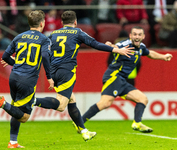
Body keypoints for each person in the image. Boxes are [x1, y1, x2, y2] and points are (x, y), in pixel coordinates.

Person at [33, 10, 134, 137]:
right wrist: (115, 50)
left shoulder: (53, 34)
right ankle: (32, 100)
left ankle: (84, 131)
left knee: (71, 99)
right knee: (61, 105)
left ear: (62, 22)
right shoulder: (77, 32)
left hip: (54, 71)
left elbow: (41, 51)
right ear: (75, 22)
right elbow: (95, 44)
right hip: (66, 71)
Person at [77, 26, 172, 133]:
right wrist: (111, 46)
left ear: (143, 36)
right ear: (130, 36)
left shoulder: (141, 47)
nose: (137, 37)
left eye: (139, 35)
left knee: (142, 99)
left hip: (122, 80)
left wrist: (163, 57)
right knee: (105, 103)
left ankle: (137, 123)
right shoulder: (124, 45)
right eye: (134, 34)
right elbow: (115, 47)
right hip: (113, 77)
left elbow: (150, 53)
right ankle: (79, 123)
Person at [0, 10, 61, 148]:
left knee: (16, 107)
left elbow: (4, 57)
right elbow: (45, 57)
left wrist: (16, 63)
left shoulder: (19, 36)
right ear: (41, 23)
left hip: (14, 77)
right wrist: (49, 77)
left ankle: (13, 142)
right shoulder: (44, 39)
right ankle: (2, 103)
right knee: (24, 117)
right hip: (27, 80)